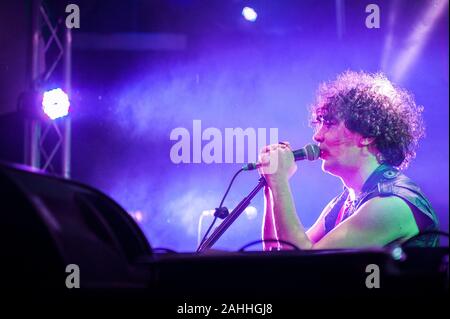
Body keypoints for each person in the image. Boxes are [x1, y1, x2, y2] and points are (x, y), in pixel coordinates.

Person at [258, 71, 439, 251]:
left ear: (367, 134)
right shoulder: (346, 200)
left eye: (329, 124)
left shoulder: (390, 204)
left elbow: (302, 264)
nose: (317, 136)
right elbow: (277, 256)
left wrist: (279, 181)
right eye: (319, 124)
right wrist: (271, 185)